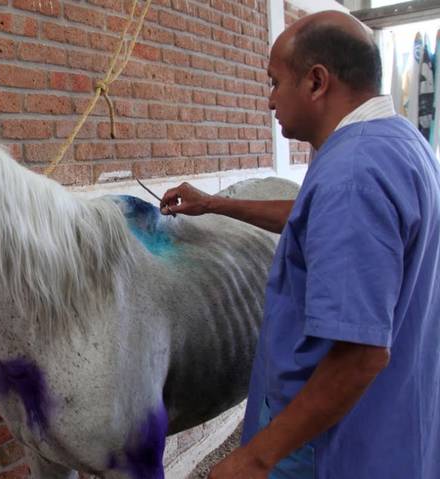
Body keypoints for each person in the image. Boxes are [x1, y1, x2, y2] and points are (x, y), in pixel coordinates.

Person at [160, 10, 440, 479]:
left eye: (274, 82)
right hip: (397, 415)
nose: (270, 101)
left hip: (330, 441)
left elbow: (359, 356)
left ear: (316, 82)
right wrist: (214, 205)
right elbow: (318, 222)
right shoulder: (399, 143)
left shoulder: (351, 174)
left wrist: (256, 457)